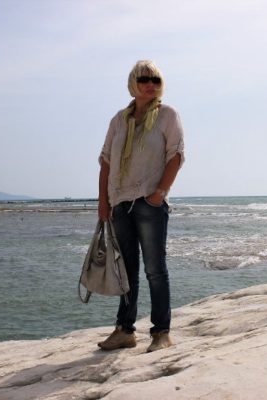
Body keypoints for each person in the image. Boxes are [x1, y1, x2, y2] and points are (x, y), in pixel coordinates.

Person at [97, 60, 185, 352]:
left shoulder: (167, 115)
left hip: (149, 202)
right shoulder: (118, 120)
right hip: (120, 203)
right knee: (126, 271)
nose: (150, 84)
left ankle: (161, 333)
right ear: (133, 83)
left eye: (156, 80)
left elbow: (177, 156)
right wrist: (103, 205)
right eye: (145, 79)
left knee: (154, 269)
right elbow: (106, 162)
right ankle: (125, 330)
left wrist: (159, 194)